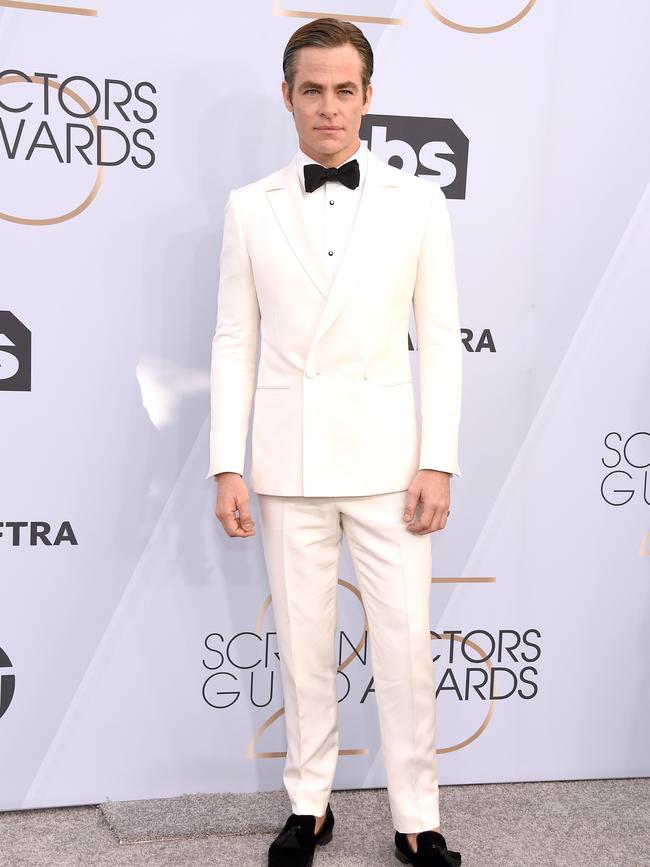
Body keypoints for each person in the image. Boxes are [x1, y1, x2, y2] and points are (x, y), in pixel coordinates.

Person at [206, 15, 463, 867]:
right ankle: (308, 804)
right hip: (288, 462)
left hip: (391, 463)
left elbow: (443, 337)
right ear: (287, 98)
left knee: (402, 645)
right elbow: (234, 342)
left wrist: (439, 457)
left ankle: (417, 816)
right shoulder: (250, 208)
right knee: (304, 645)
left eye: (343, 90)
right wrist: (226, 463)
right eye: (311, 90)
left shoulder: (417, 202)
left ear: (368, 98)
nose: (328, 107)